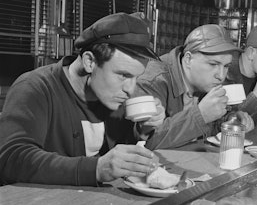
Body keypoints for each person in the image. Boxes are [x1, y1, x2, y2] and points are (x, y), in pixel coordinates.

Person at [0, 12, 166, 186]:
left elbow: (121, 155)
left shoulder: (113, 96)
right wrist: (96, 169)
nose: (130, 90)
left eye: (136, 78)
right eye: (123, 75)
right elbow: (11, 158)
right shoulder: (35, 87)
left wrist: (143, 129)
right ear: (89, 62)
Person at [134, 24, 254, 149]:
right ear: (188, 59)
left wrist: (229, 120)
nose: (221, 75)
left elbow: (209, 126)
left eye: (226, 66)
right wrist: (200, 116)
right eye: (213, 64)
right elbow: (146, 142)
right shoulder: (154, 81)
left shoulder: (205, 82)